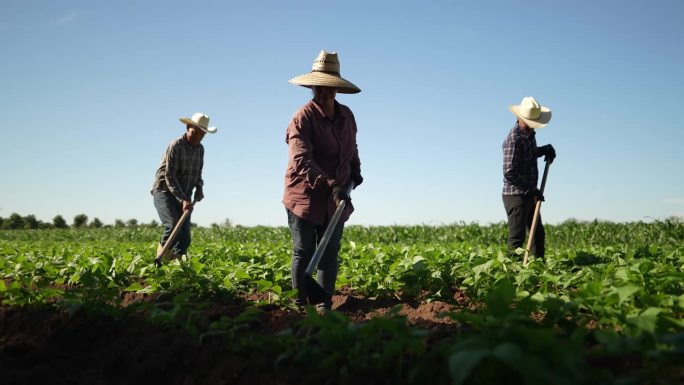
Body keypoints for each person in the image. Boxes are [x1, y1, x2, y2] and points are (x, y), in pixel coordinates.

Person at [283, 50, 363, 313]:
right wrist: (331, 186)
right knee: (304, 250)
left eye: (330, 89)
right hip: (305, 194)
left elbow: (352, 147)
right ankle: (299, 304)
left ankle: (324, 303)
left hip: (337, 197)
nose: (325, 93)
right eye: (320, 88)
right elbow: (301, 160)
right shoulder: (302, 118)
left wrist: (355, 170)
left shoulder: (346, 116)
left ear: (336, 90)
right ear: (313, 86)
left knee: (329, 251)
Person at [151, 112, 217, 266]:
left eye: (202, 134)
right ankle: (159, 265)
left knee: (185, 238)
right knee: (173, 225)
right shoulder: (175, 145)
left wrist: (199, 188)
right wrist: (183, 199)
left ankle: (176, 269)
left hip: (185, 195)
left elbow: (198, 173)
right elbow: (170, 176)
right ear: (188, 128)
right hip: (164, 191)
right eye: (195, 132)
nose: (198, 137)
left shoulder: (200, 150)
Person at [502, 97, 556, 259]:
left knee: (537, 235)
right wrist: (532, 189)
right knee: (517, 238)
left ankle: (536, 269)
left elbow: (527, 155)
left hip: (529, 193)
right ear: (519, 118)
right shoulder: (513, 140)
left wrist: (543, 150)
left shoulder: (529, 134)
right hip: (516, 195)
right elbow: (509, 171)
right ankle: (510, 274)